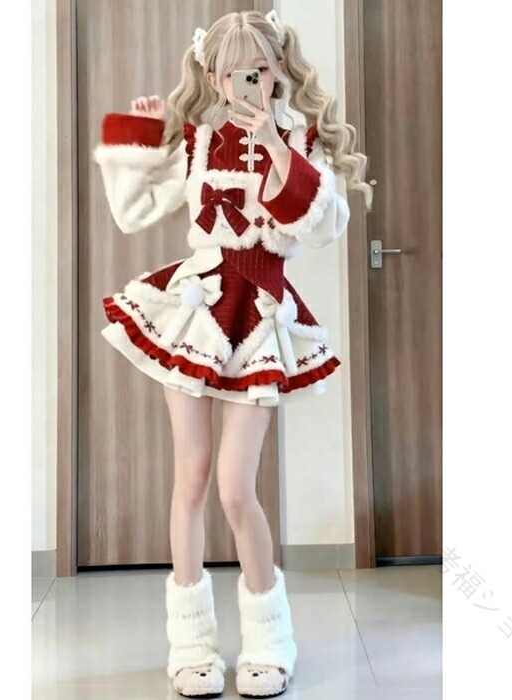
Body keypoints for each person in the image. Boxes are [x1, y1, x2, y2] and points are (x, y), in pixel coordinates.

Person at [93, 9, 373, 698]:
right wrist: (142, 134)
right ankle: (190, 646)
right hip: (194, 309)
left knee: (234, 487)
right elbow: (132, 211)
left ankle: (271, 642)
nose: (244, 82)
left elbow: (327, 226)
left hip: (262, 314)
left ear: (277, 72)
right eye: (229, 72)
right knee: (190, 478)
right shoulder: (194, 141)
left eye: (258, 69)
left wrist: (277, 148)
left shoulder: (302, 140)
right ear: (212, 77)